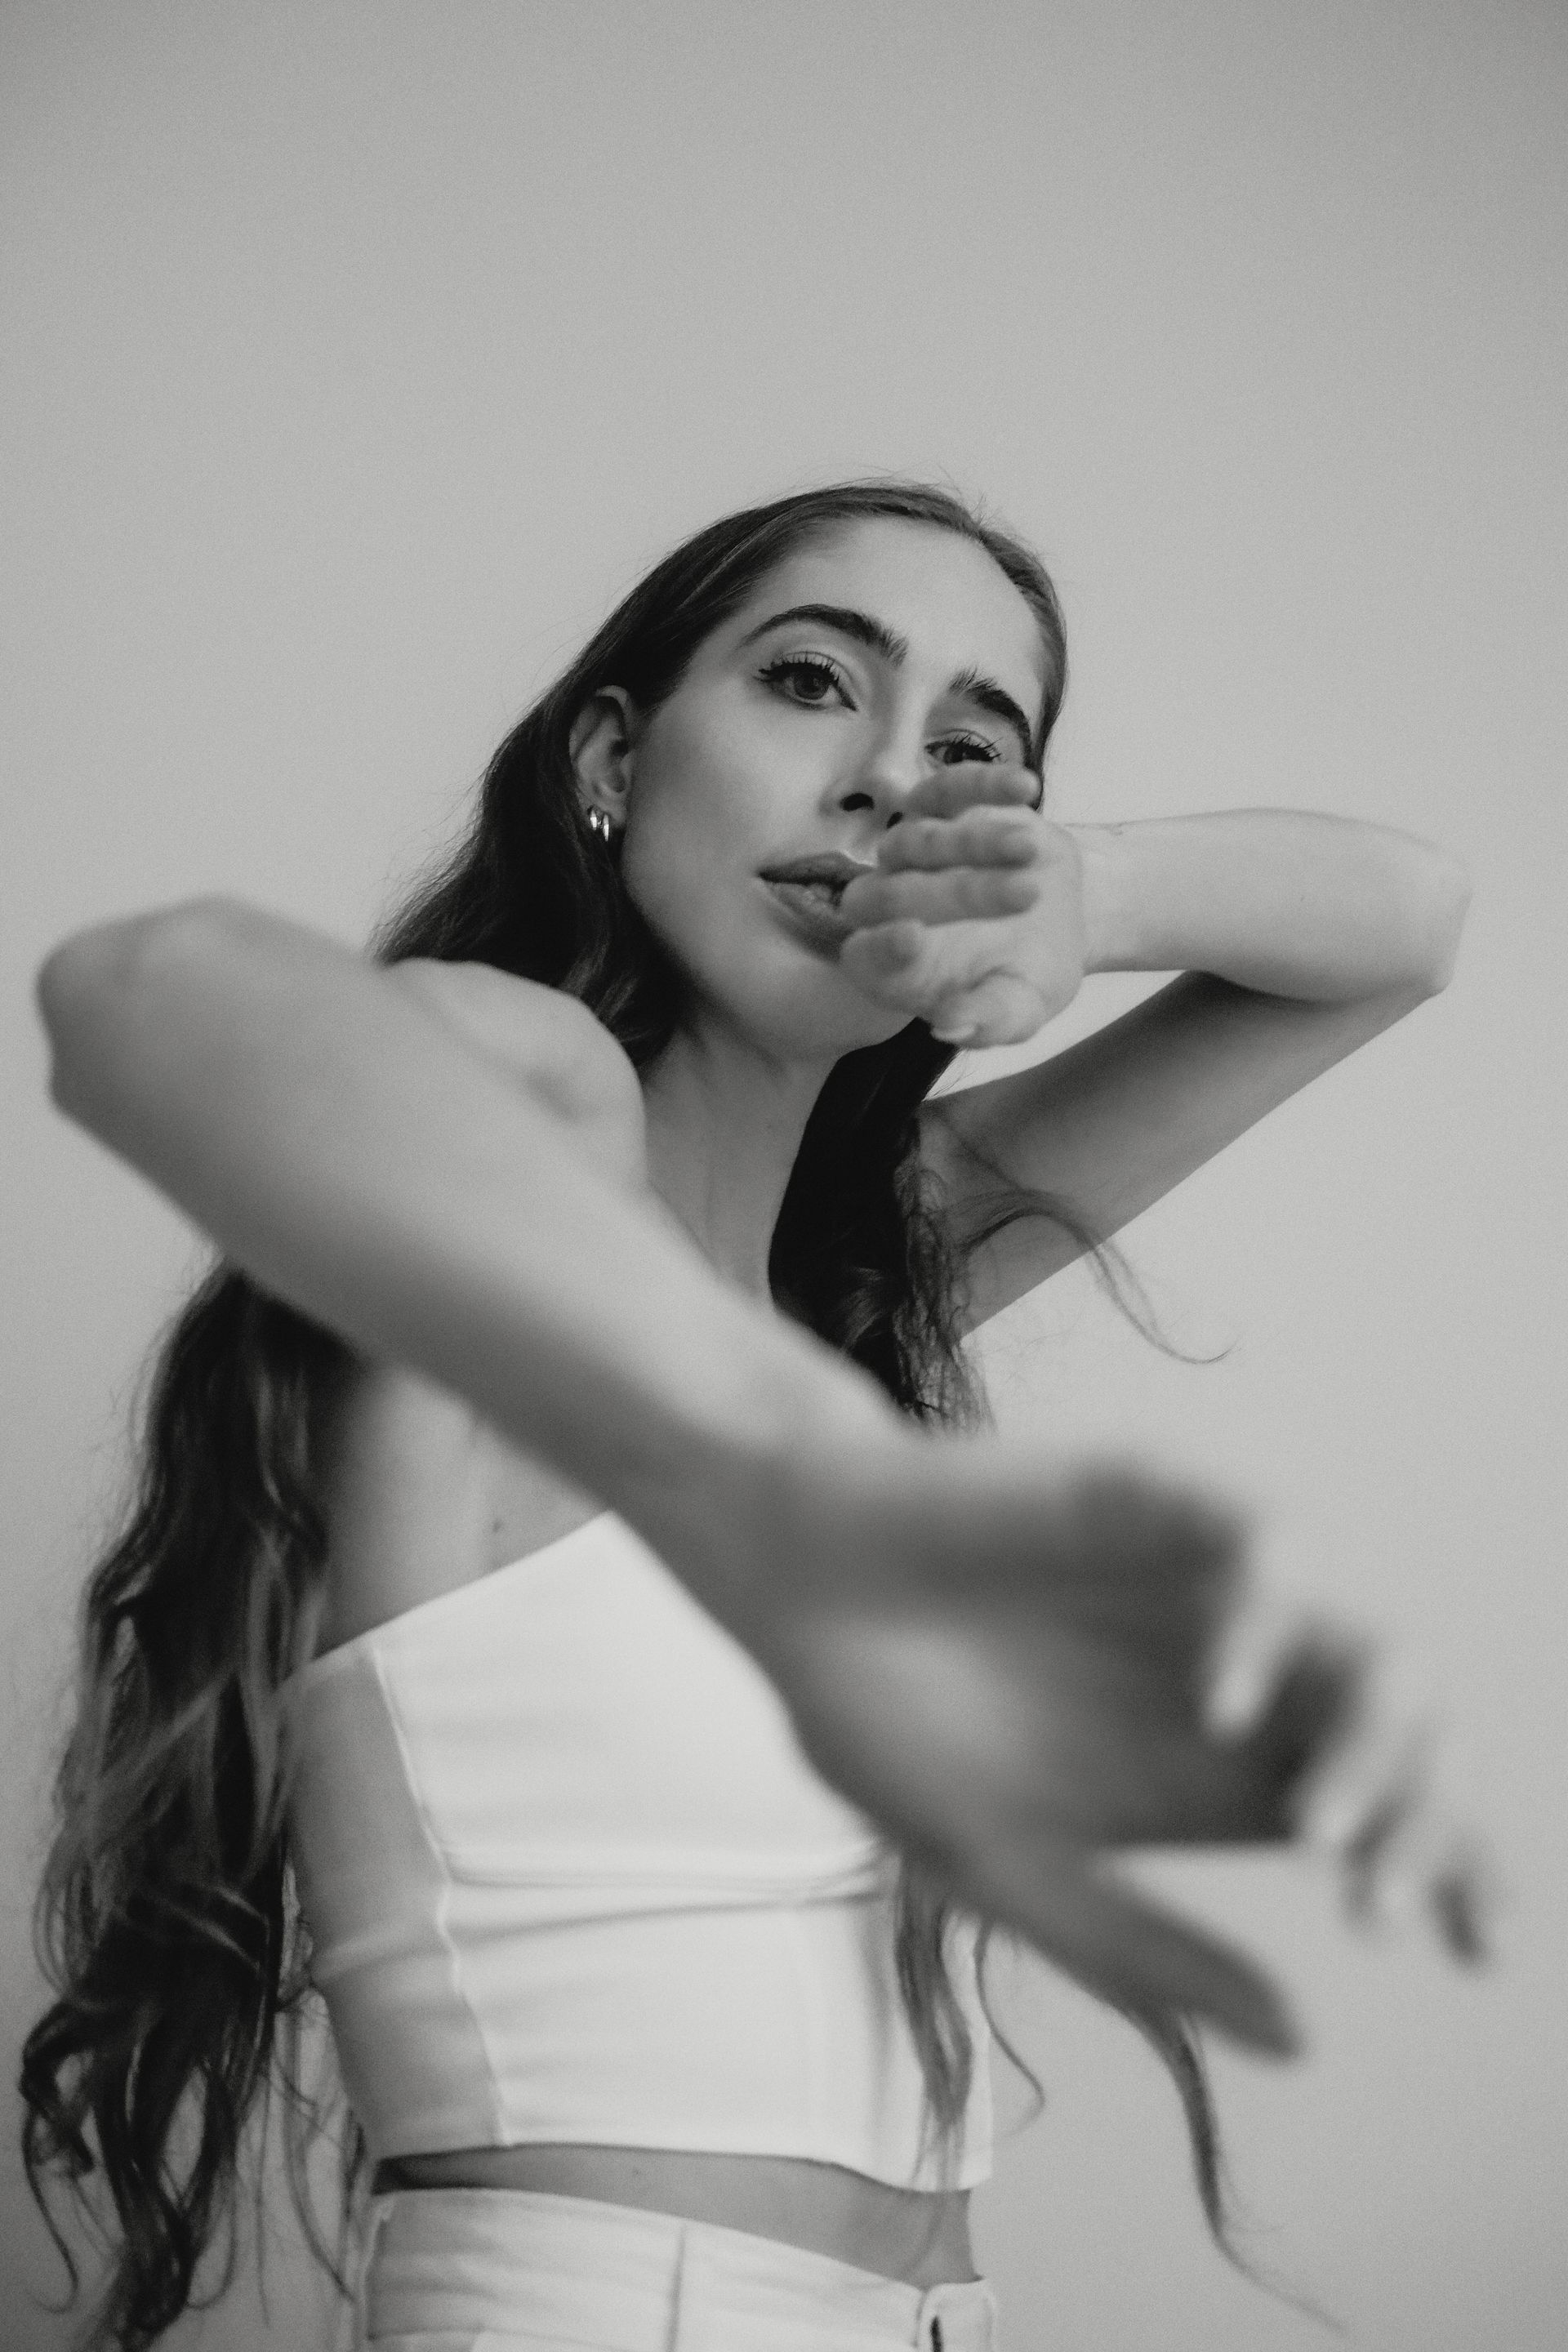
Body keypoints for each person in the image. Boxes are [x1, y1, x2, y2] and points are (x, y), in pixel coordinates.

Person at [24, 481, 1490, 2352]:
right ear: (612, 763)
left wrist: (1088, 890)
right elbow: (141, 994)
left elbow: (1407, 921)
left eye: (973, 746)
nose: (893, 777)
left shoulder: (858, 1294)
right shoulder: (531, 1141)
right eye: (813, 682)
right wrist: (739, 1418)